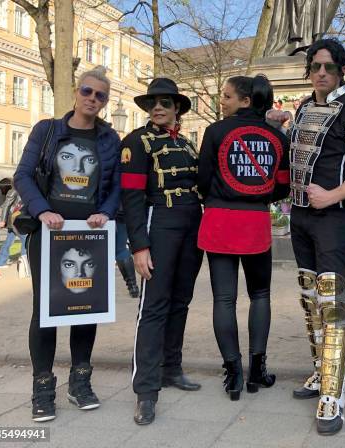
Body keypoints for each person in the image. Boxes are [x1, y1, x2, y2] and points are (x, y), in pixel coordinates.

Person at [268, 38, 345, 435]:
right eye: (315, 66)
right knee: (311, 300)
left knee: (332, 305)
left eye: (328, 67)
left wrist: (332, 195)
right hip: (300, 218)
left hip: (335, 219)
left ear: (341, 70)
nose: (320, 72)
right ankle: (320, 373)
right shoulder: (301, 108)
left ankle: (333, 395)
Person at [13, 66, 121, 422]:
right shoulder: (47, 131)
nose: (92, 99)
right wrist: (42, 210)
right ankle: (42, 389)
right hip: (49, 234)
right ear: (77, 92)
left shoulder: (108, 139)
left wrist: (105, 212)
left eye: (100, 95)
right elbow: (23, 175)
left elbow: (115, 186)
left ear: (105, 102)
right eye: (87, 91)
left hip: (90, 235)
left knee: (84, 307)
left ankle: (80, 382)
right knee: (45, 311)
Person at [197, 74, 290, 401]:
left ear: (245, 101)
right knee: (260, 295)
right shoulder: (278, 138)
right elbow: (282, 184)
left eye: (226, 96)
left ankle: (233, 373)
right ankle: (257, 370)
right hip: (254, 221)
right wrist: (259, 194)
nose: (221, 100)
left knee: (224, 299)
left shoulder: (214, 132)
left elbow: (203, 179)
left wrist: (222, 194)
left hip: (220, 218)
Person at [120, 78, 203, 425]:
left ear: (177, 109)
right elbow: (132, 198)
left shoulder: (186, 143)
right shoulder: (135, 143)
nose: (158, 107)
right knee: (153, 307)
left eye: (165, 103)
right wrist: (139, 245)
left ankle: (172, 369)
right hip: (160, 223)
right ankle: (146, 390)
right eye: (153, 102)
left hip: (191, 225)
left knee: (180, 301)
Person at [0, 182, 28, 268]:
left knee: (8, 242)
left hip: (16, 221)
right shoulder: (14, 191)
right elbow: (6, 205)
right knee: (26, 241)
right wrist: (2, 220)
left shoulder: (22, 190)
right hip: (16, 221)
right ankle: (25, 264)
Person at [115, 208, 139, 298]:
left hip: (105, 209)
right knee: (121, 248)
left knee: (119, 249)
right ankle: (133, 287)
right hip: (123, 210)